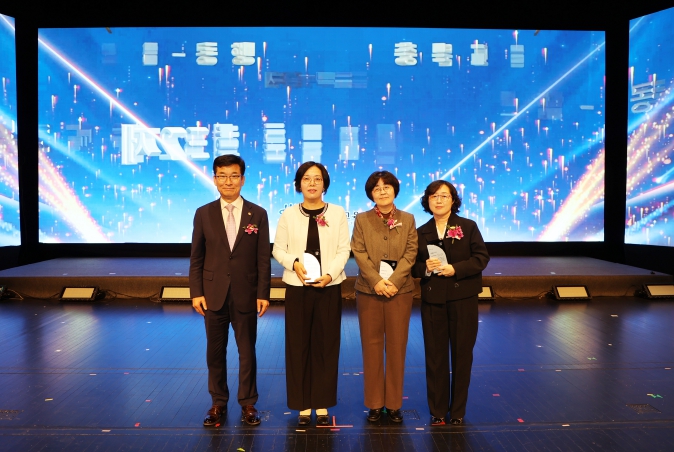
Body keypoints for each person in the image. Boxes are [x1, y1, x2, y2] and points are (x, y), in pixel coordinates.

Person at [189, 154, 271, 427]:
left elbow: (263, 258)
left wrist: (263, 293)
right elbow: (197, 257)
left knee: (247, 351)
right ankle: (218, 402)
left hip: (246, 293)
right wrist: (196, 291)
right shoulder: (203, 213)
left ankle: (248, 403)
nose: (228, 181)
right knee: (215, 352)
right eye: (222, 176)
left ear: (242, 179)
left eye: (234, 176)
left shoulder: (258, 213)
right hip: (213, 293)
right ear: (214, 179)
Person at [272, 161, 350, 427]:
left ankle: (322, 402)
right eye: (307, 178)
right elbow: (278, 249)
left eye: (317, 178)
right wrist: (293, 263)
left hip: (329, 287)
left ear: (325, 183)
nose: (312, 183)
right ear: (299, 184)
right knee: (297, 346)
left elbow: (344, 250)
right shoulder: (289, 214)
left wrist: (330, 275)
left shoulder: (337, 213)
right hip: (297, 287)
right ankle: (303, 405)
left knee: (326, 346)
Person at [412, 180, 489, 426]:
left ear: (453, 200)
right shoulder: (421, 231)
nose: (439, 200)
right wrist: (425, 267)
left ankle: (457, 411)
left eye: (444, 196)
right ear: (427, 201)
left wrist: (455, 268)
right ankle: (437, 411)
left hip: (463, 299)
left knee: (462, 355)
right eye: (434, 196)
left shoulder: (468, 226)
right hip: (433, 300)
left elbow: (481, 258)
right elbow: (412, 266)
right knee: (435, 357)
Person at [350, 171, 418, 423]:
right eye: (376, 188)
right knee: (371, 347)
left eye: (386, 187)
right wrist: (377, 281)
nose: (382, 191)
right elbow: (358, 251)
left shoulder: (408, 219)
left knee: (397, 347)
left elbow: (411, 252)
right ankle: (375, 404)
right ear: (371, 194)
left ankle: (394, 404)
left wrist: (394, 281)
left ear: (394, 190)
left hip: (400, 291)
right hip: (369, 291)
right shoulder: (362, 219)